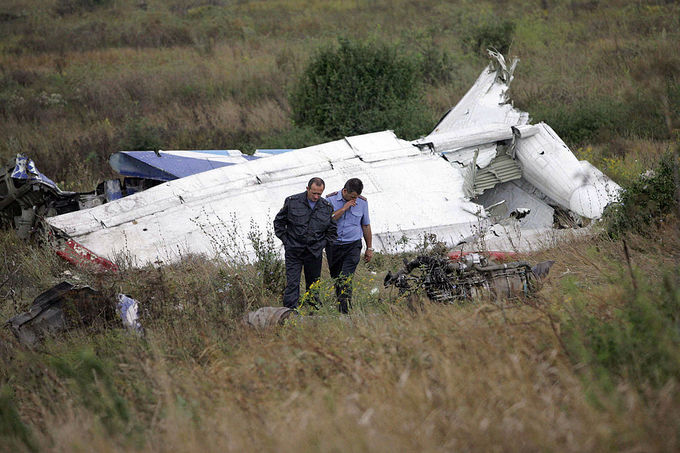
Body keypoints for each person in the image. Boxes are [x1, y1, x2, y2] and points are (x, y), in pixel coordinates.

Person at [273, 177, 337, 310]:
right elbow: (279, 222)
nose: (316, 196)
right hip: (294, 250)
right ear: (307, 189)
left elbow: (332, 231)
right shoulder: (292, 202)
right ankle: (289, 312)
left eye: (319, 194)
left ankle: (312, 311)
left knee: (313, 284)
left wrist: (322, 245)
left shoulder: (326, 207)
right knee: (293, 283)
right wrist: (286, 241)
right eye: (313, 193)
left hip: (314, 252)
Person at [325, 178, 373, 313]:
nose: (354, 200)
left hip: (353, 245)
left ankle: (345, 310)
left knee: (346, 277)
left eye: (356, 197)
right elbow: (328, 219)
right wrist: (344, 208)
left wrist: (369, 248)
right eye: (352, 197)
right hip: (333, 245)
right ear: (345, 191)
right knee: (337, 278)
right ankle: (342, 305)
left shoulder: (362, 202)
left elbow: (366, 225)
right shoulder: (330, 200)